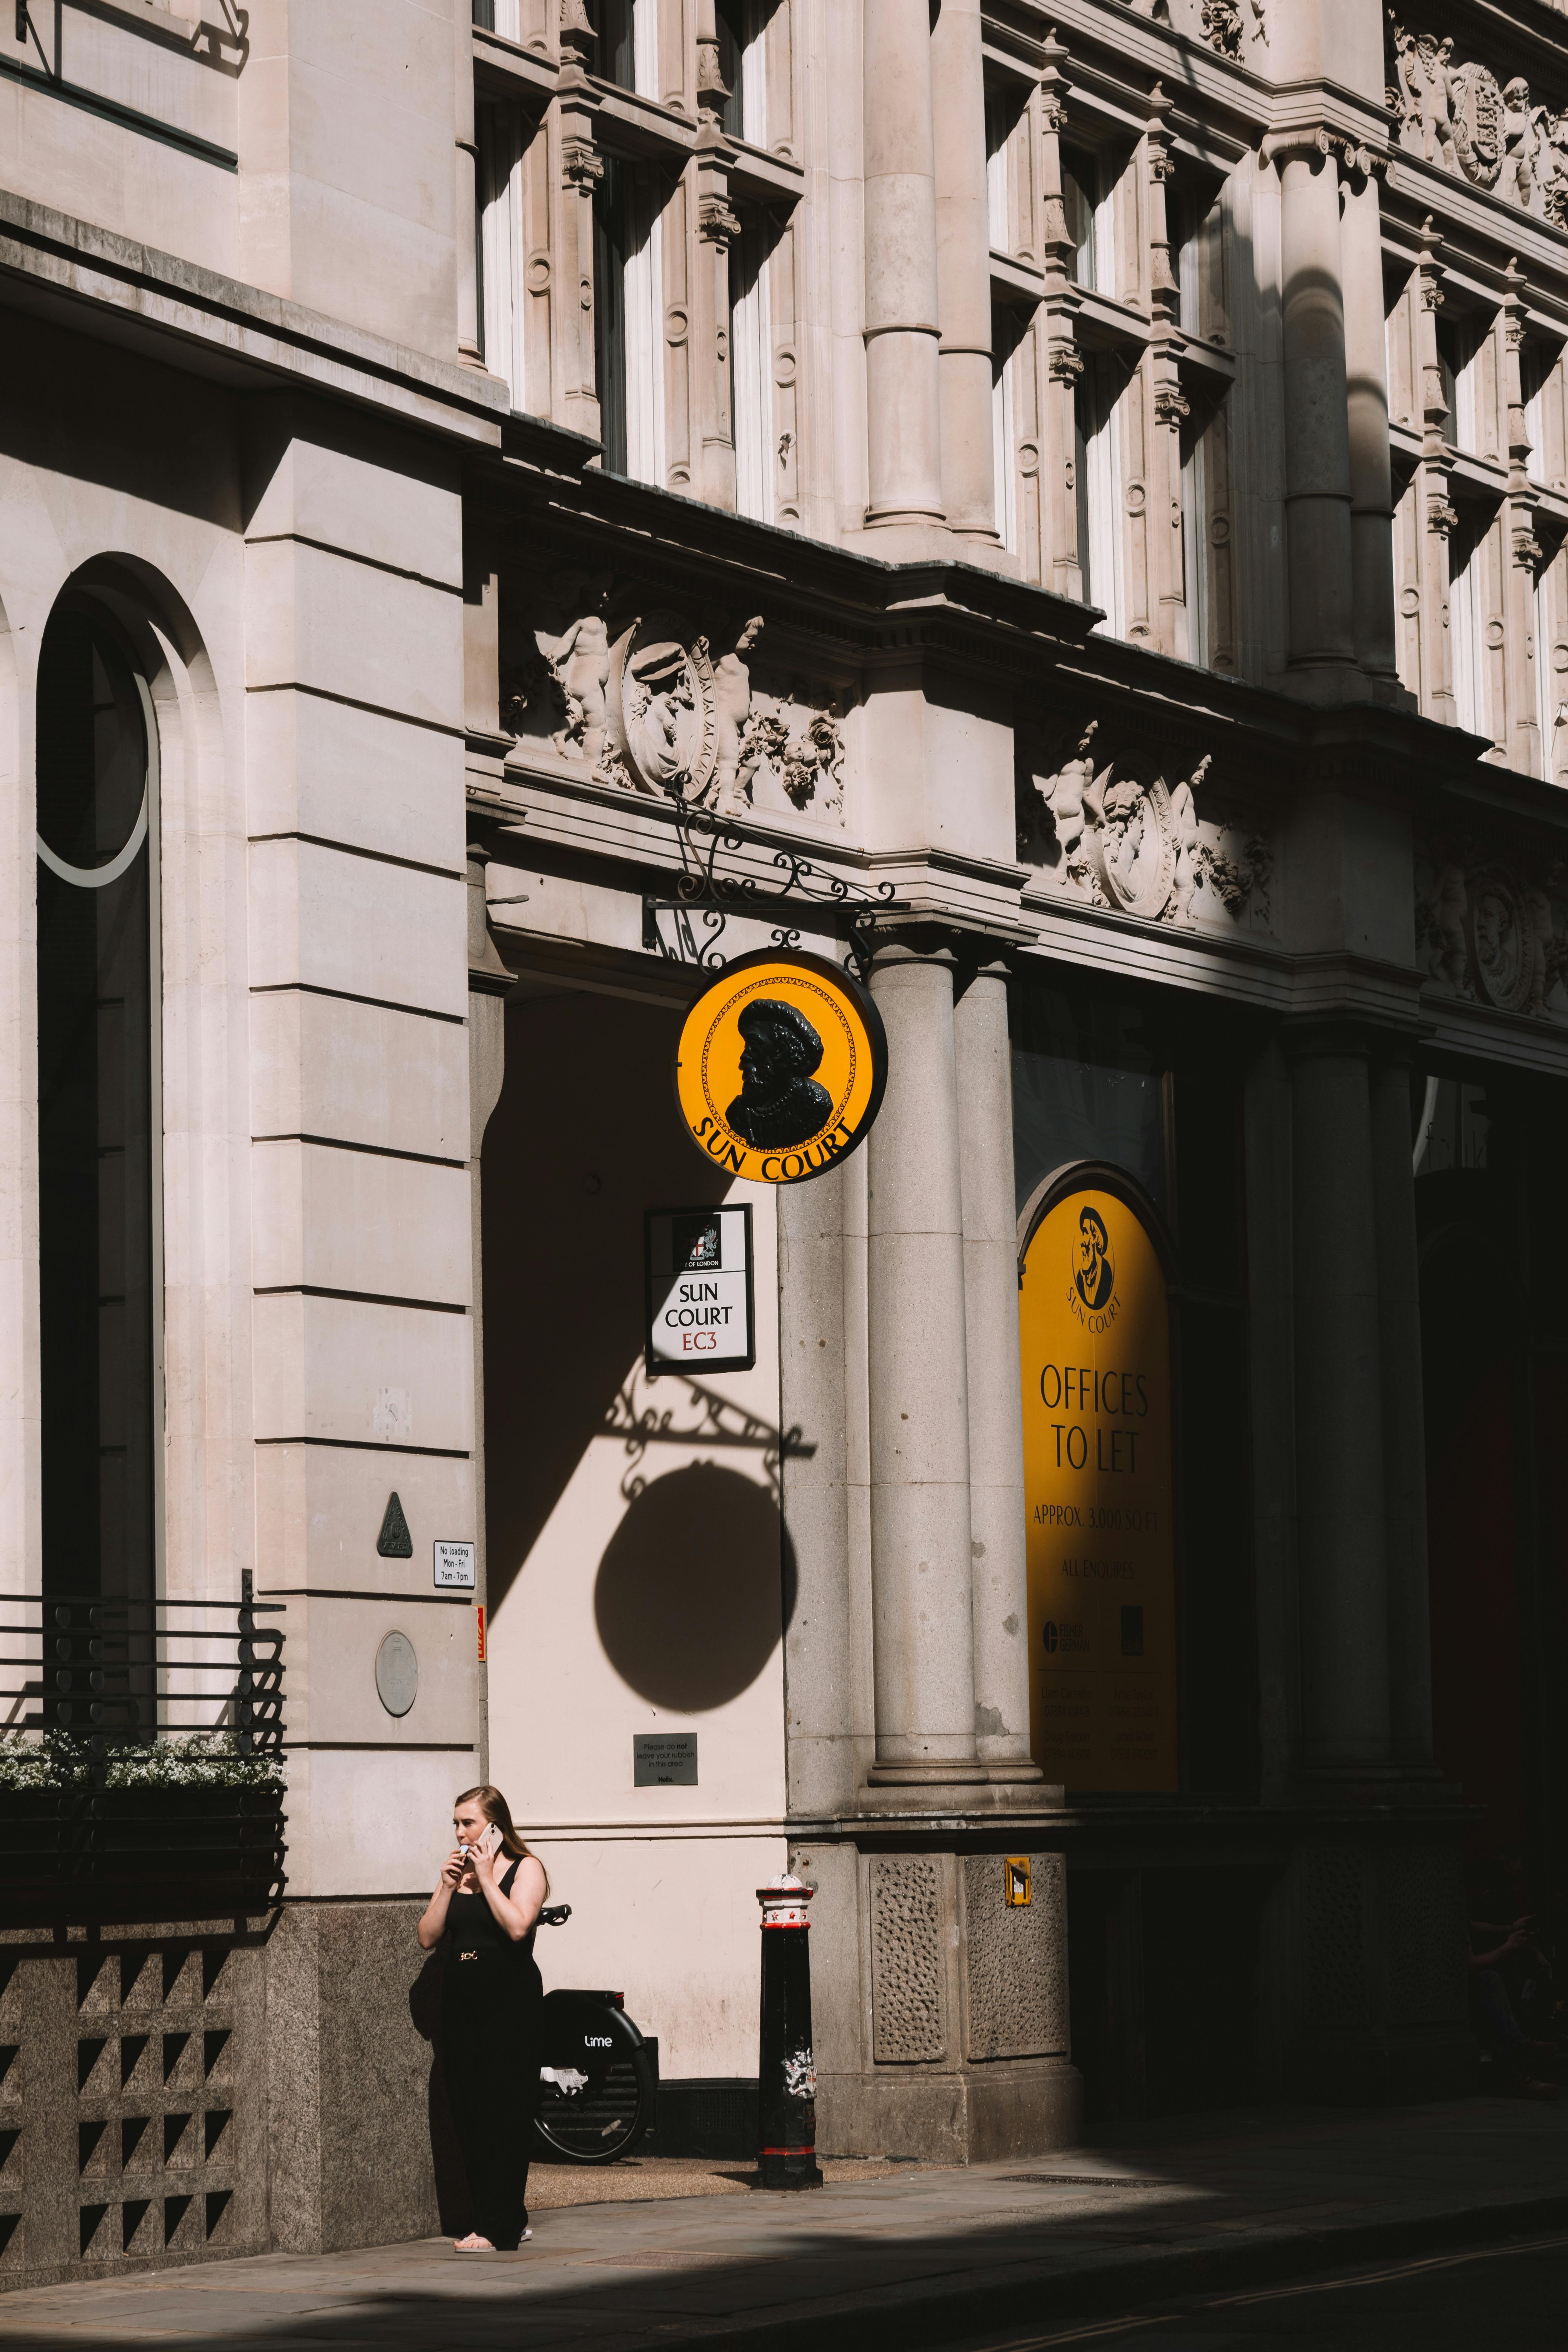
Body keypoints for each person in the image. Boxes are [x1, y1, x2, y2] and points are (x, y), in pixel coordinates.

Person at [417, 1784, 548, 2249]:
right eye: (455, 1823)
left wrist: (488, 1877)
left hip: (508, 2004)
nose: (460, 1833)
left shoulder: (524, 1868)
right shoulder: (460, 1873)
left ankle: (499, 2226)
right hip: (461, 2005)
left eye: (468, 1823)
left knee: (503, 2113)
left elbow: (517, 1927)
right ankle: (486, 2216)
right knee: (466, 2112)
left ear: (495, 1825)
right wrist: (448, 1885)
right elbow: (427, 1937)